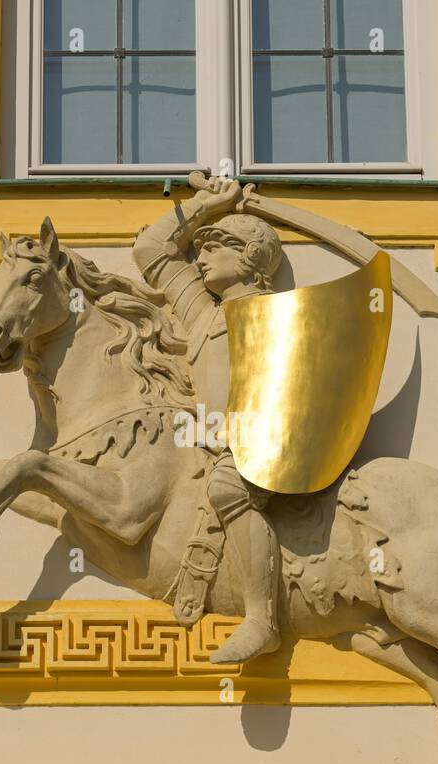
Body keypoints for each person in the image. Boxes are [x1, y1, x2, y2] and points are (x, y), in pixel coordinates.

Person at [133, 177, 284, 664]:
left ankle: (262, 619)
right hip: (207, 445)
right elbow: (151, 248)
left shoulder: (276, 315)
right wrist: (207, 204)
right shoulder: (202, 314)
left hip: (257, 446)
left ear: (248, 256)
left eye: (214, 248)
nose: (199, 258)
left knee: (228, 488)